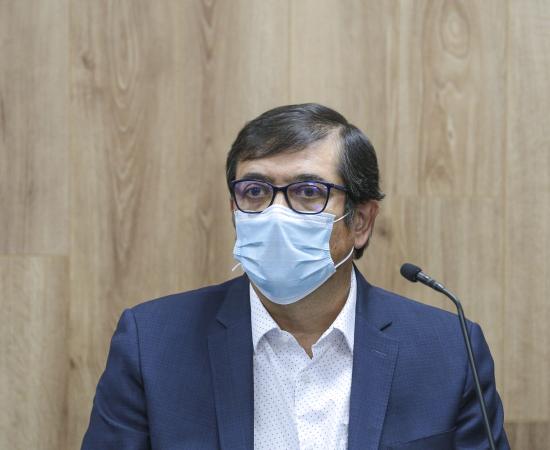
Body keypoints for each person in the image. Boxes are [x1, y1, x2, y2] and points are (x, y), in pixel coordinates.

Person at [81, 103, 509, 449]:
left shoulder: (449, 351)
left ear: (360, 221)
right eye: (255, 191)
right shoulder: (152, 345)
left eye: (308, 192)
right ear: (234, 211)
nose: (275, 213)